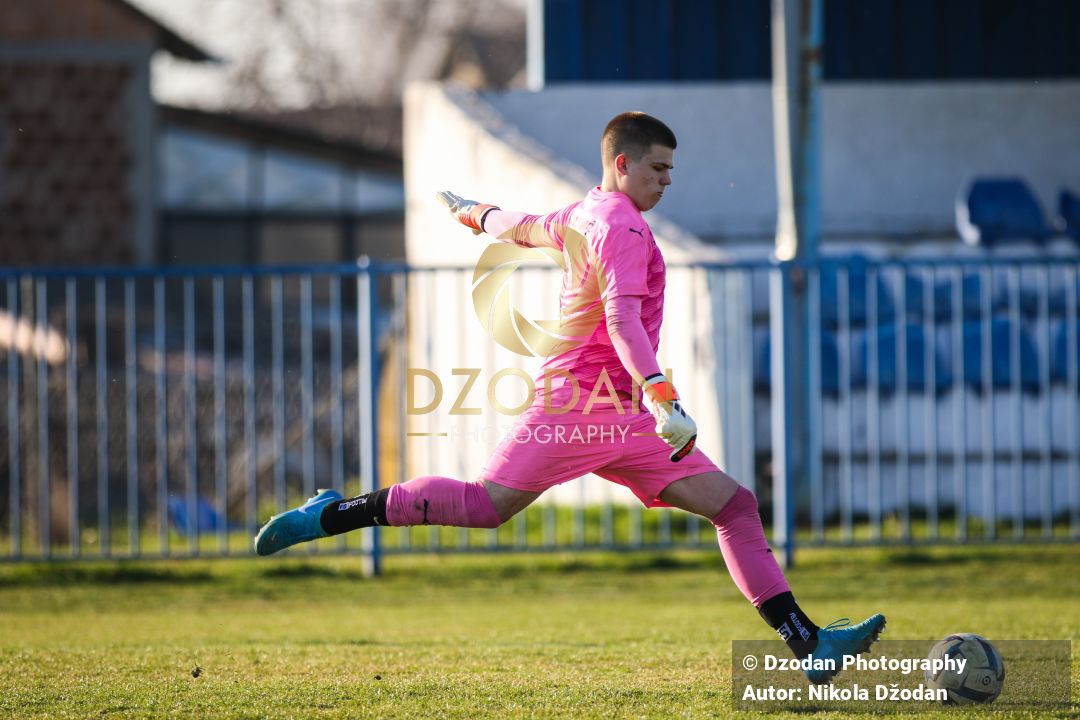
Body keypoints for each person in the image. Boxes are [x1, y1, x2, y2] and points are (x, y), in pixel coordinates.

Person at [254, 111, 884, 684]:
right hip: (584, 407)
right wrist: (663, 396)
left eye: (671, 170)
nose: (668, 181)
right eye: (659, 168)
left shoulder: (585, 214)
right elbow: (622, 322)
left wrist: (474, 213)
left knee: (735, 506)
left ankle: (808, 644)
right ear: (623, 164)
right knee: (484, 506)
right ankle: (333, 513)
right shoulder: (623, 230)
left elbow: (522, 228)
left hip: (616, 413)